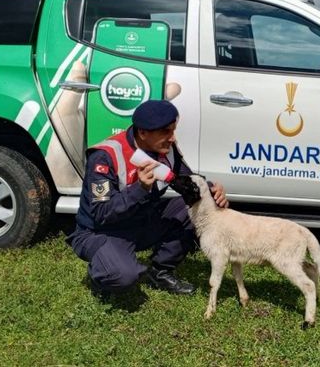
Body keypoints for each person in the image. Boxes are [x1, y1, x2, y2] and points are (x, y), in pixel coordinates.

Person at [67, 99, 229, 296]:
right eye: (165, 132)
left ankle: (160, 272)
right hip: (102, 232)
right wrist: (140, 188)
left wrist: (212, 190)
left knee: (198, 203)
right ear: (142, 133)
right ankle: (102, 271)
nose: (172, 138)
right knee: (124, 276)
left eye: (173, 130)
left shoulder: (166, 149)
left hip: (141, 221)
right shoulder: (104, 157)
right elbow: (102, 214)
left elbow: (185, 182)